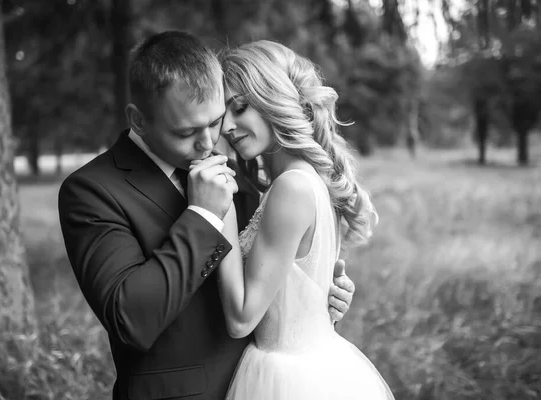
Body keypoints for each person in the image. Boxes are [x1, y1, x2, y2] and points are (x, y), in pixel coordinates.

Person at [58, 31, 355, 400]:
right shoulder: (92, 191)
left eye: (214, 122)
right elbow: (129, 320)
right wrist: (202, 215)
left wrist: (312, 295)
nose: (209, 142)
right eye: (186, 132)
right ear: (138, 120)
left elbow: (264, 280)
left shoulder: (239, 174)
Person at [213, 40, 395, 399]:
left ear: (272, 99)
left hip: (285, 377)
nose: (227, 128)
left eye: (240, 108)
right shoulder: (307, 179)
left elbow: (241, 319)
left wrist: (221, 209)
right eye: (222, 116)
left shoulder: (292, 186)